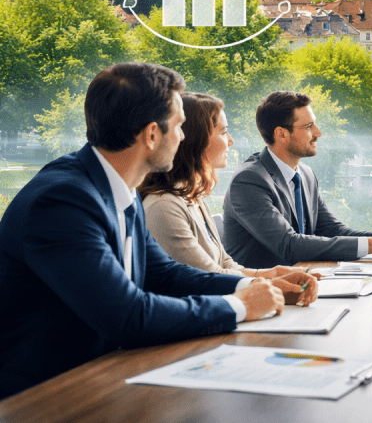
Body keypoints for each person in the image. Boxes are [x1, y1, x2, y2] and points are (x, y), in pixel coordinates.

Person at [0, 63, 318, 398]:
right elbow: (127, 316)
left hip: (104, 376)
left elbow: (163, 274)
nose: (183, 136)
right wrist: (238, 306)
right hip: (44, 396)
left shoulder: (117, 185)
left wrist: (252, 285)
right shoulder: (62, 202)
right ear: (152, 134)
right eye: (179, 125)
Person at [222, 91, 372, 268]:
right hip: (264, 290)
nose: (318, 133)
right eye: (308, 126)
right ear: (281, 134)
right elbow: (289, 245)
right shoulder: (249, 181)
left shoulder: (305, 175)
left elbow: (331, 230)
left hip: (303, 281)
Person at [140, 92, 303, 280]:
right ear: (196, 139)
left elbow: (225, 263)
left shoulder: (194, 197)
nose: (231, 141)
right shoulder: (164, 207)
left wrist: (272, 274)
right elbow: (208, 276)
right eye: (224, 132)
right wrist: (269, 282)